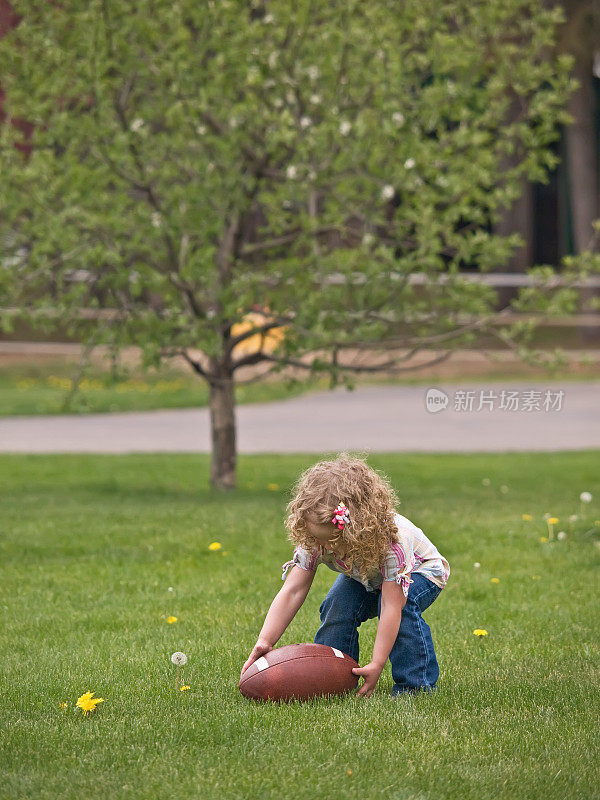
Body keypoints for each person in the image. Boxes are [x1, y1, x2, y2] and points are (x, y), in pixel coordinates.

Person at [240, 452, 451, 698]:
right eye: (319, 539)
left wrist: (377, 663)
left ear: (357, 529)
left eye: (332, 541)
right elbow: (293, 590)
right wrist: (265, 640)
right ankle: (335, 676)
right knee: (336, 605)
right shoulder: (316, 540)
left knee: (402, 609)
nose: (326, 547)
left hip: (420, 571)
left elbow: (392, 604)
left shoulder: (391, 543)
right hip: (365, 573)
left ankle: (416, 686)